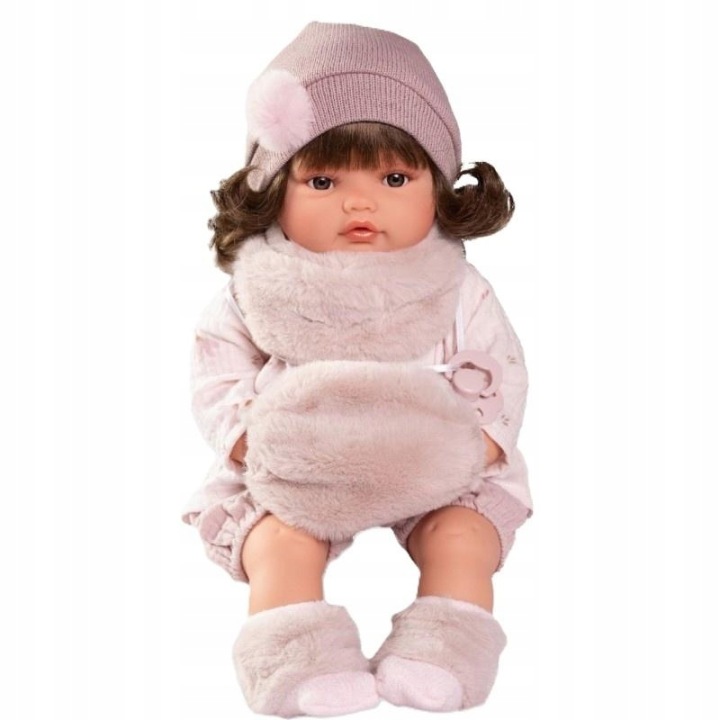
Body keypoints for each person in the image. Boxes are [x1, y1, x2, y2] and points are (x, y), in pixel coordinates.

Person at [182, 21, 532, 718]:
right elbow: (216, 373)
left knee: (461, 536)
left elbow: (501, 370)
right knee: (281, 542)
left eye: (395, 177)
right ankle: (297, 664)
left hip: (432, 463)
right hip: (299, 468)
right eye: (322, 179)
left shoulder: (458, 287)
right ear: (272, 189)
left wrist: (480, 442)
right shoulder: (257, 288)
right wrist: (252, 440)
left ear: (438, 187)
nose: (360, 202)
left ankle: (443, 651)